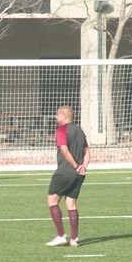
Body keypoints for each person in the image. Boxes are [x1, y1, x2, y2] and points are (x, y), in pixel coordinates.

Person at [46, 105, 90, 248]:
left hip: (66, 170)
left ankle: (60, 236)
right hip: (79, 174)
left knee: (52, 200)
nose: (56, 117)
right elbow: (87, 151)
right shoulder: (80, 130)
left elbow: (64, 150)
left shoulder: (61, 130)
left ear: (64, 116)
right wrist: (83, 166)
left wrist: (76, 166)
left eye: (57, 115)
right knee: (71, 204)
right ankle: (74, 239)